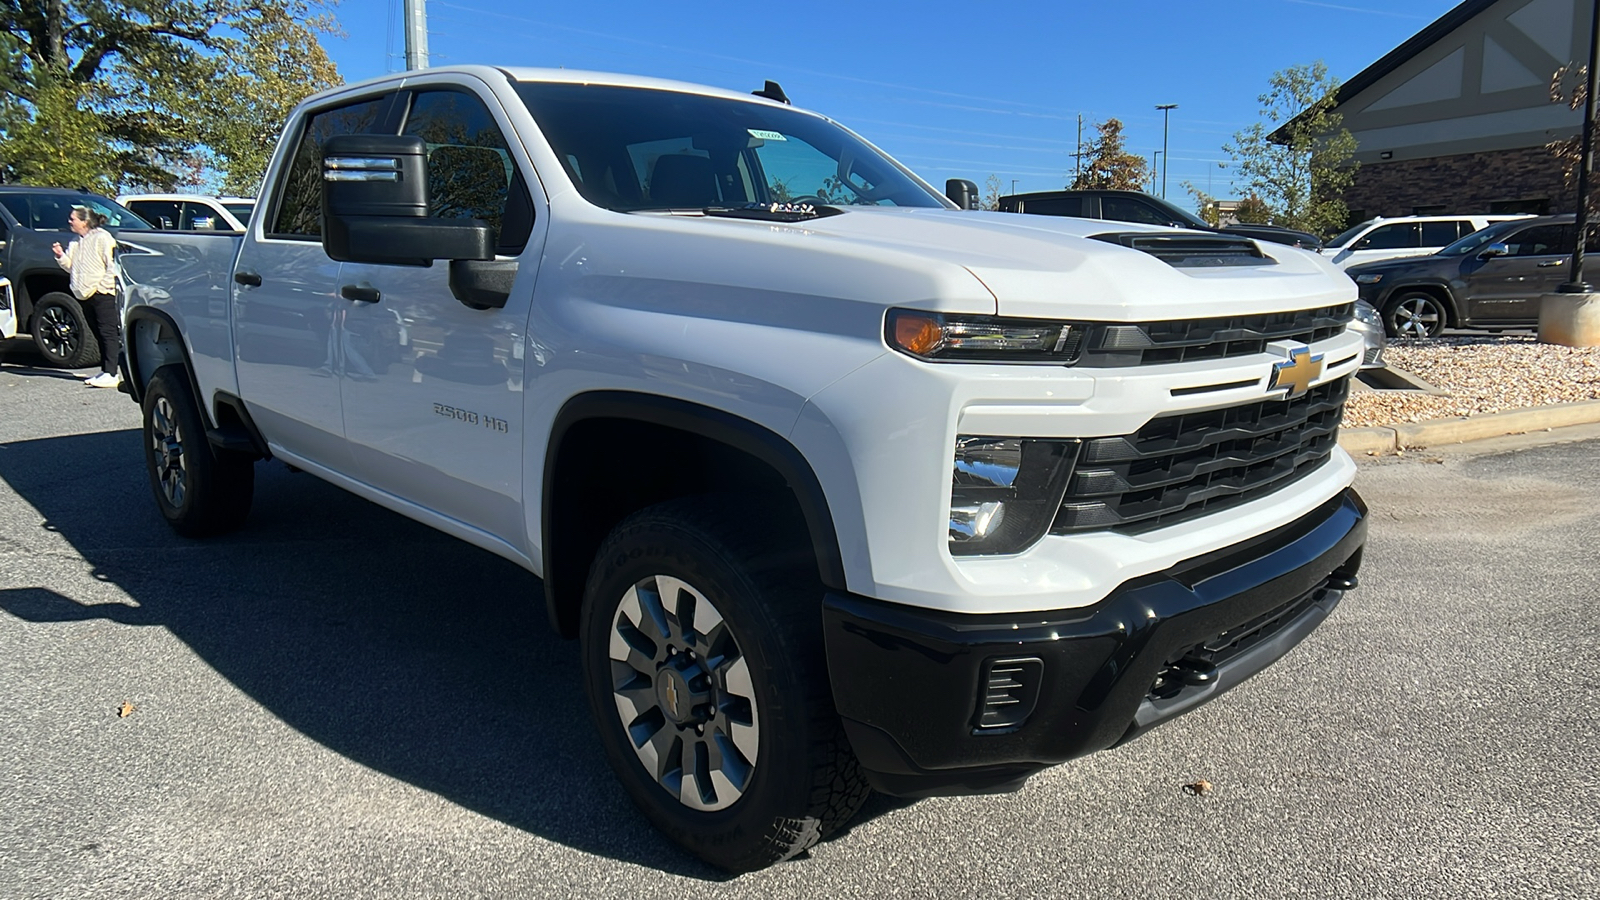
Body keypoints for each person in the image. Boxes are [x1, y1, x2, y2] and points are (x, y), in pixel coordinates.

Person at [51, 206, 121, 387]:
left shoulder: (102, 238)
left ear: (84, 221)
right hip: (83, 293)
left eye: (73, 219)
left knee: (108, 332)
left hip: (102, 293)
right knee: (97, 332)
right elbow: (71, 266)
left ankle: (113, 373)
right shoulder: (76, 241)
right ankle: (105, 370)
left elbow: (112, 264)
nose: (69, 222)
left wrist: (103, 287)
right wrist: (60, 256)